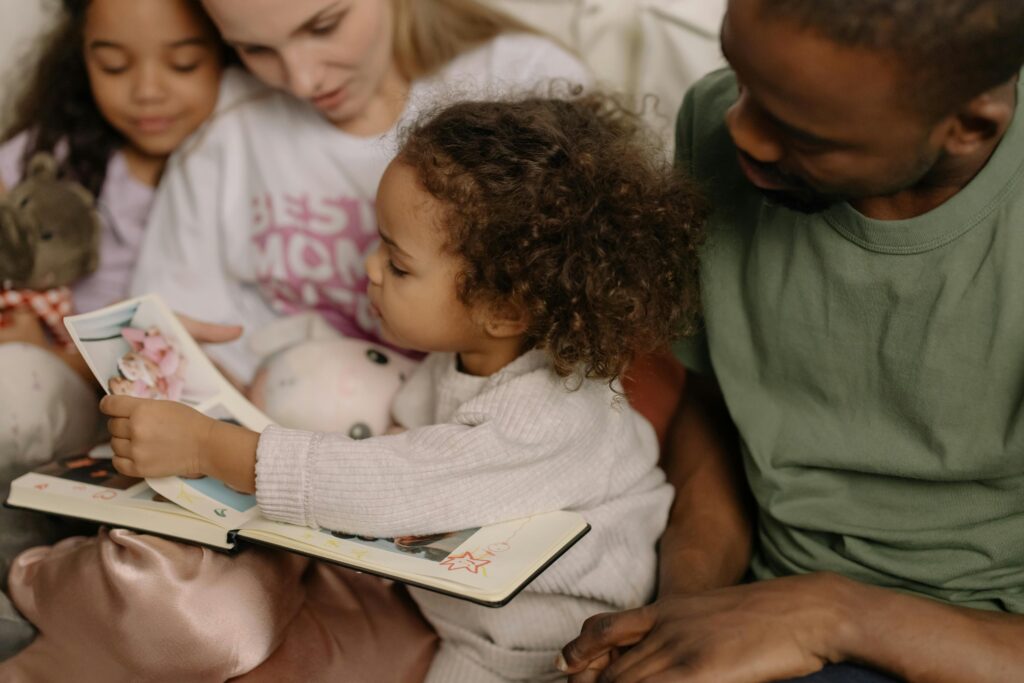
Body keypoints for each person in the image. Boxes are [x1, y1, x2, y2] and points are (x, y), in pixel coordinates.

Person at [98, 93, 707, 682]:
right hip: (453, 603)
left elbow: (389, 482)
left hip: (539, 644)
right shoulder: (468, 357)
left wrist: (210, 446)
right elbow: (403, 435)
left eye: (398, 263)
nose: (368, 268)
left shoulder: (547, 416)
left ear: (504, 307)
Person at [558, 0, 1024, 681]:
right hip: (762, 602)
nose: (740, 130)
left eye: (804, 132)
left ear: (968, 126)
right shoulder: (721, 130)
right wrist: (688, 611)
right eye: (739, 74)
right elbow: (718, 407)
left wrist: (829, 613)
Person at [130, 0, 592, 386]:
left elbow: (583, 303)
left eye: (325, 26)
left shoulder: (523, 79)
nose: (302, 79)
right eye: (255, 49)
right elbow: (172, 332)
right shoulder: (228, 124)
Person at [0, 0, 225, 658]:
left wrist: (67, 358)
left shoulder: (233, 159)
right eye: (113, 63)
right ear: (82, 57)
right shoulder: (54, 156)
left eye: (183, 63)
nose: (148, 90)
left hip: (169, 414)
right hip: (52, 397)